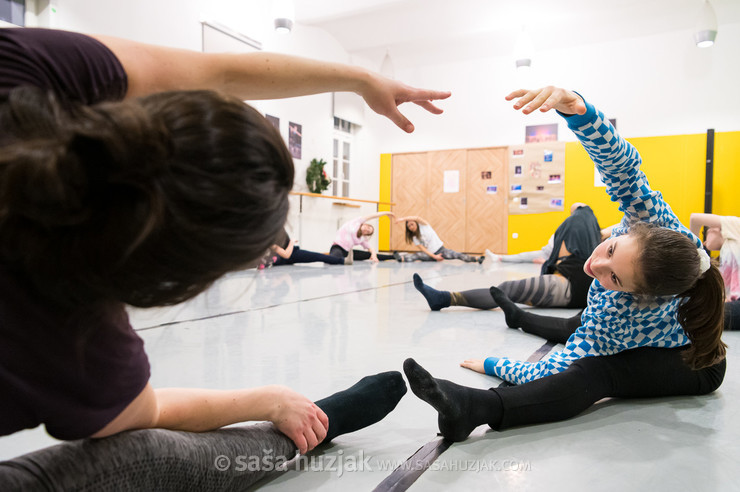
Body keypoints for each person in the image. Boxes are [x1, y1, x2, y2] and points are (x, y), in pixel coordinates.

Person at [0, 27, 449, 488]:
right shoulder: (84, 347)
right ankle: (318, 424)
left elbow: (219, 70)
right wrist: (269, 400)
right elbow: (150, 412)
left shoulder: (27, 70)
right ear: (183, 277)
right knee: (139, 456)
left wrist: (359, 79)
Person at [403, 85, 726, 443]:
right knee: (576, 322)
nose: (594, 267)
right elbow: (623, 168)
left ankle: (475, 409)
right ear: (637, 229)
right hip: (645, 313)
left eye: (614, 277)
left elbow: (559, 366)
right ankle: (519, 317)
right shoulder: (655, 225)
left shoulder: (620, 314)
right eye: (610, 248)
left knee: (598, 372)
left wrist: (495, 366)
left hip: (696, 365)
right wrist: (580, 112)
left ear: (639, 294)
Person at [412, 202, 602, 311]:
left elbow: (555, 258)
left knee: (504, 290)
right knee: (506, 290)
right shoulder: (594, 231)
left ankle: (445, 299)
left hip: (569, 286)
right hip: (579, 287)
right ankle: (445, 298)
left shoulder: (573, 223)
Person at [393, 216, 483, 263]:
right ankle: (401, 259)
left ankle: (475, 259)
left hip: (441, 250)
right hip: (431, 254)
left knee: (456, 255)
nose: (411, 227)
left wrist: (402, 219)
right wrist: (434, 257)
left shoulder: (424, 225)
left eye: (412, 224)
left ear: (416, 223)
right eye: (409, 226)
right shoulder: (414, 238)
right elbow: (423, 249)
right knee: (417, 255)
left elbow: (416, 217)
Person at [329, 211, 397, 262]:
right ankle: (342, 260)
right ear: (364, 224)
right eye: (368, 227)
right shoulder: (356, 222)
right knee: (333, 259)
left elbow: (371, 248)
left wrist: (374, 255)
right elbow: (373, 216)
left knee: (368, 254)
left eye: (368, 232)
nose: (366, 230)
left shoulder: (362, 238)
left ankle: (394, 256)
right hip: (338, 247)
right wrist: (387, 213)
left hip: (348, 252)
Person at [259, 230, 350, 268]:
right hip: (288, 254)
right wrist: (292, 242)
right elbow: (287, 255)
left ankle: (342, 261)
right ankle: (342, 260)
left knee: (317, 256)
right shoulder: (270, 241)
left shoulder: (275, 232)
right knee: (318, 256)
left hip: (290, 254)